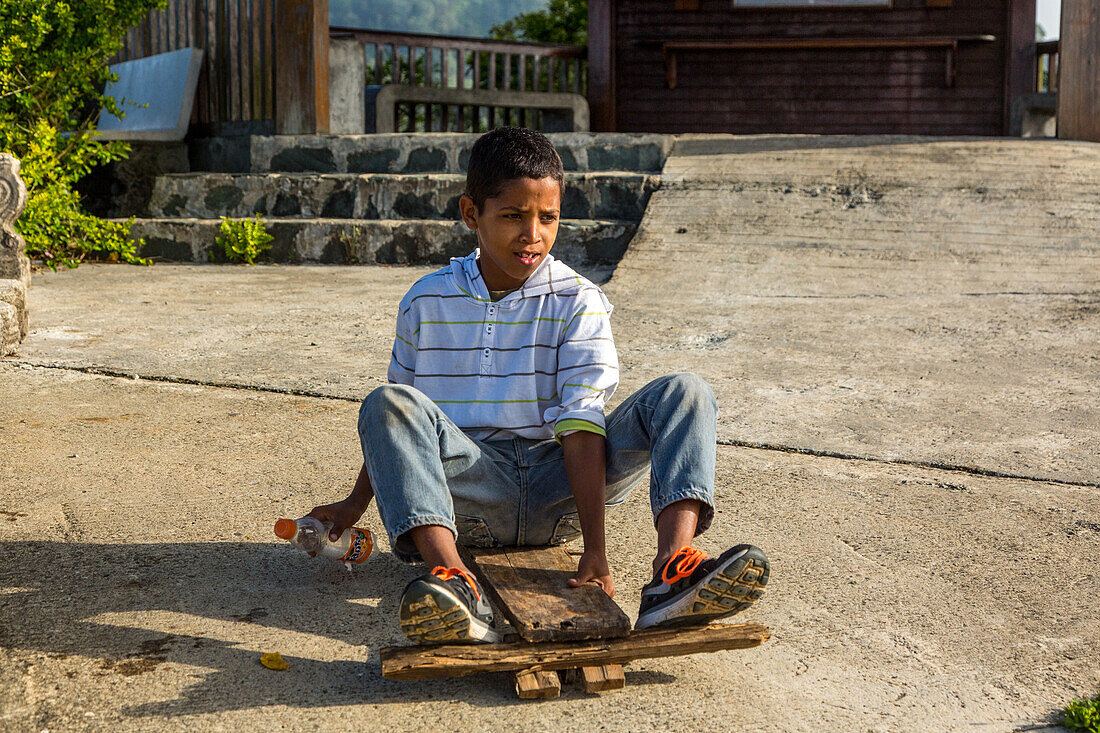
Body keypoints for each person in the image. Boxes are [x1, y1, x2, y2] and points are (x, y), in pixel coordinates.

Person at [307, 126, 769, 644]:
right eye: (512, 216)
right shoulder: (425, 301)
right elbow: (397, 429)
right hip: (470, 493)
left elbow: (581, 424)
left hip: (560, 491)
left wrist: (596, 547)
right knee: (387, 402)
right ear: (470, 215)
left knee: (686, 392)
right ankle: (455, 581)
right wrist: (352, 507)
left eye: (547, 218)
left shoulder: (578, 300)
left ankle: (671, 572)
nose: (533, 234)